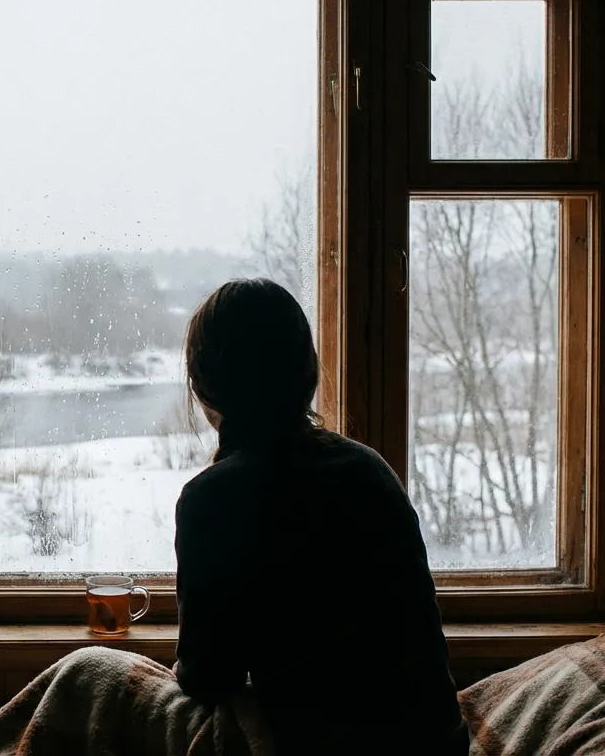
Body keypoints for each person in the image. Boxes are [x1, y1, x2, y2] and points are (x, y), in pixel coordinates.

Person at [172, 278, 469, 754]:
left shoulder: (213, 498)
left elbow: (207, 676)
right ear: (306, 373)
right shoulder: (369, 470)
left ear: (205, 387)